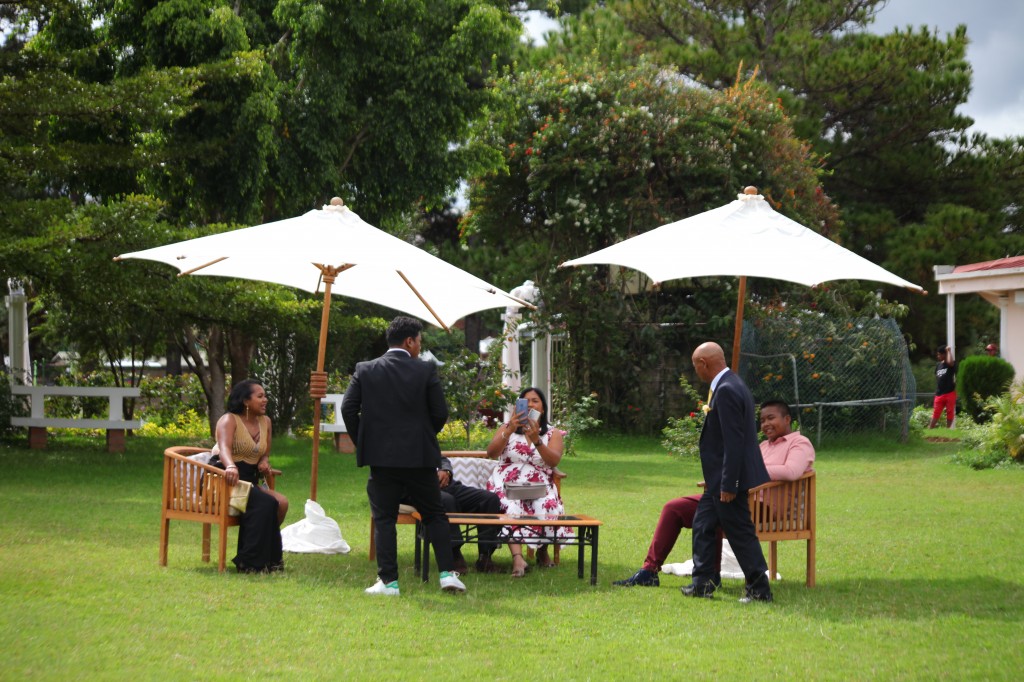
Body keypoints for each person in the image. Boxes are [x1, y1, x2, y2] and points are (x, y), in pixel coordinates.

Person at [614, 400, 814, 587]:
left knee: (717, 512)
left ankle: (710, 577)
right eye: (762, 420)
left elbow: (791, 471)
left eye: (771, 418)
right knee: (674, 508)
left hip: (765, 509)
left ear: (787, 419)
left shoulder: (799, 443)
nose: (766, 424)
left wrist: (747, 472)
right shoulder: (762, 446)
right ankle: (649, 571)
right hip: (738, 499)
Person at [341, 316, 466, 596]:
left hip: (381, 459)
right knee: (435, 515)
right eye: (419, 342)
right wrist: (423, 436)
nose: (420, 347)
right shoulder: (425, 370)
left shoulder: (365, 369)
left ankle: (389, 582)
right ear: (409, 341)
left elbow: (349, 410)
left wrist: (366, 443)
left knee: (384, 518)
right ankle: (447, 574)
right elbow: (440, 413)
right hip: (420, 457)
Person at [684, 341, 772, 603]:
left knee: (739, 532)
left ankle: (759, 589)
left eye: (695, 366)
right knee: (703, 525)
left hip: (728, 478)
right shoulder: (729, 384)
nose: (696, 371)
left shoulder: (727, 390)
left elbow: (733, 443)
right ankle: (703, 582)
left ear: (703, 363)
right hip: (717, 478)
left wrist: (729, 484)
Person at [485, 387, 572, 578]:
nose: (530, 405)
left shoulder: (552, 433)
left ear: (543, 407)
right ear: (518, 407)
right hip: (507, 481)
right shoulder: (506, 428)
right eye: (525, 401)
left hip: (538, 481)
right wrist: (508, 430)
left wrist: (537, 441)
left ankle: (542, 550)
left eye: (535, 401)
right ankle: (518, 558)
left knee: (546, 504)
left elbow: (553, 461)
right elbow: (491, 454)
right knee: (509, 506)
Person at [214, 379, 288, 574]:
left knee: (281, 503)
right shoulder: (229, 420)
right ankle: (249, 562)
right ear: (246, 401)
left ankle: (268, 561)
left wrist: (264, 461)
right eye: (260, 396)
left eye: (265, 396)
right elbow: (223, 448)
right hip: (225, 479)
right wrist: (230, 466)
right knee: (265, 503)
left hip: (250, 481)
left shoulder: (266, 422)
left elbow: (265, 452)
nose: (265, 400)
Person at [437, 456, 503, 573]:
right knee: (447, 501)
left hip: (448, 486)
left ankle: (485, 557)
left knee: (489, 499)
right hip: (422, 489)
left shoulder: (424, 438)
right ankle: (454, 554)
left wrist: (445, 470)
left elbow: (442, 459)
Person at [929, 344, 956, 429]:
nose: (938, 356)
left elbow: (951, 363)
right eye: (937, 354)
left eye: (940, 354)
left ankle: (948, 430)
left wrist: (948, 351)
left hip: (949, 392)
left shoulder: (950, 364)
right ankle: (930, 429)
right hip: (939, 393)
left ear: (944, 354)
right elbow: (937, 376)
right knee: (936, 412)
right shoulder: (938, 365)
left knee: (950, 412)